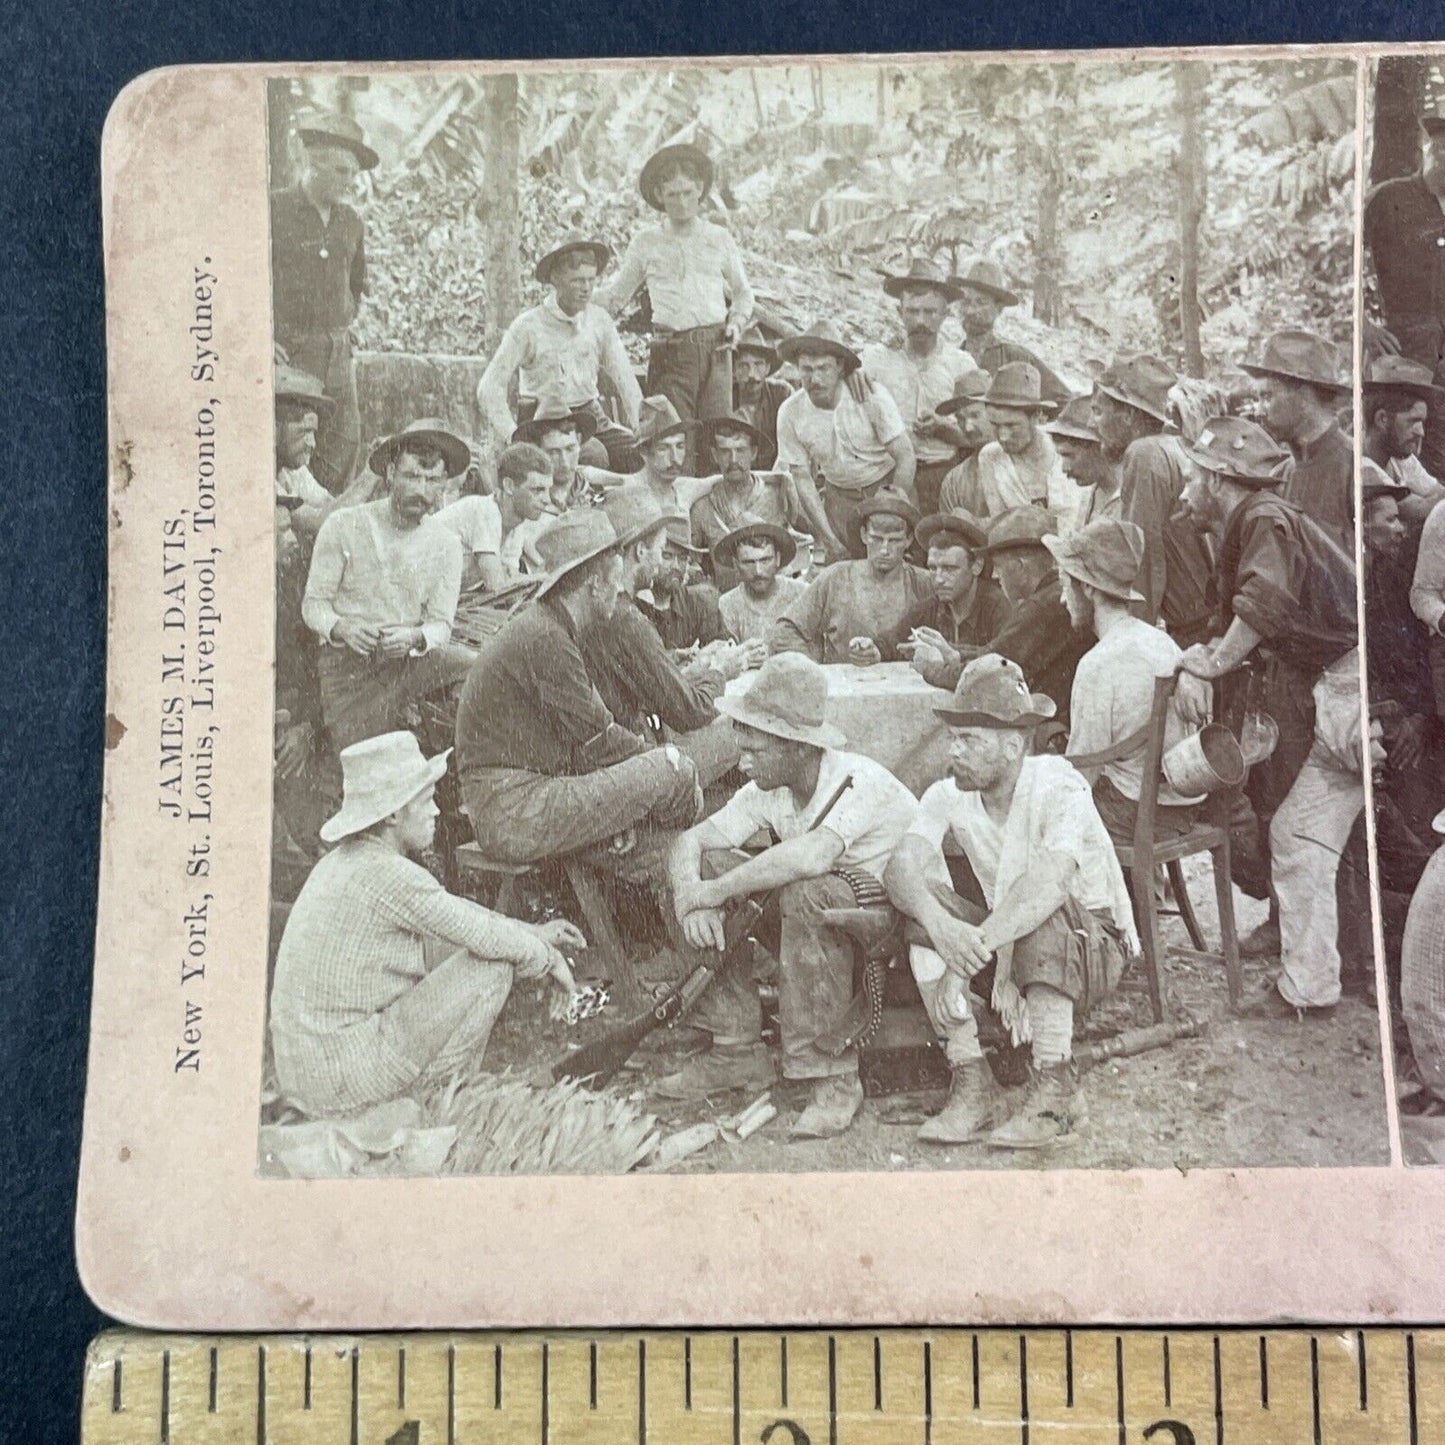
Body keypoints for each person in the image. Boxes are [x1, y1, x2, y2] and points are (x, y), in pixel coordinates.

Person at [884, 654, 1135, 1148]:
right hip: (1005, 945)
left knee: (1037, 911)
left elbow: (1048, 883)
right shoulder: (947, 793)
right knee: (918, 913)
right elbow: (900, 868)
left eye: (969, 740)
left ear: (1012, 745)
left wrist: (967, 955)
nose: (953, 752)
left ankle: (1056, 1087)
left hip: (1092, 945)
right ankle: (974, 1081)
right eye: (953, 738)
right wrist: (941, 927)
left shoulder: (1058, 783)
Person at [664, 654, 919, 1138]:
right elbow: (689, 840)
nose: (742, 762)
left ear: (797, 746)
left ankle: (833, 1079)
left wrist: (713, 892)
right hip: (823, 925)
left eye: (754, 750)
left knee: (806, 891)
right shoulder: (770, 786)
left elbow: (811, 858)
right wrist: (688, 896)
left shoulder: (856, 779)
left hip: (894, 933)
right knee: (709, 865)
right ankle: (736, 1048)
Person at [268, 731, 584, 1118]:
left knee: (472, 948)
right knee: (492, 965)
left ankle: (432, 1092)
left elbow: (457, 922)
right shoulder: (389, 874)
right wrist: (549, 960)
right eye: (427, 801)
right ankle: (447, 1096)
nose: (437, 811)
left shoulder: (343, 862)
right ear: (393, 815)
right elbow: (479, 935)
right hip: (344, 1078)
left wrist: (532, 932)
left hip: (310, 1074)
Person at [1175, 416, 1361, 1013]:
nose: (1185, 493)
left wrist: (1212, 664)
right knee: (1302, 827)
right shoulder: (1254, 520)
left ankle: (1314, 988)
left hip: (1353, 680)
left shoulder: (1262, 518)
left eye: (1193, 479)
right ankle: (1321, 967)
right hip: (1337, 675)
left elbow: (1265, 603)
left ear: (1220, 480)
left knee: (1300, 833)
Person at [453, 507, 702, 867]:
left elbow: (590, 736)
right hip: (516, 811)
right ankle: (675, 866)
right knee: (672, 767)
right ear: (595, 583)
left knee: (664, 767)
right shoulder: (545, 638)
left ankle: (657, 850)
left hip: (517, 802)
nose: (619, 590)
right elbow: (599, 739)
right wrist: (669, 765)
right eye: (615, 580)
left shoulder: (551, 627)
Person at [302, 421, 474, 753]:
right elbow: (314, 605)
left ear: (443, 487)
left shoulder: (446, 544)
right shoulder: (345, 525)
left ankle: (460, 760)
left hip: (409, 660)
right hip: (349, 666)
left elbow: (441, 625)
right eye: (412, 477)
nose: (421, 491)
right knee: (364, 765)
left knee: (480, 671)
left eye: (433, 481)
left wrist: (414, 637)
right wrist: (342, 628)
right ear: (391, 474)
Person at [1049, 518, 1203, 842]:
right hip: (1184, 805)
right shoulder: (1161, 641)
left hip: (1133, 812)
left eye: (1066, 585)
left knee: (1036, 813)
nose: (1063, 600)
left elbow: (1083, 773)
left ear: (1088, 587)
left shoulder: (1097, 663)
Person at [580, 491, 746, 789]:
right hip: (633, 762)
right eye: (661, 550)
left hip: (616, 750)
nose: (659, 562)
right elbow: (691, 712)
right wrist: (720, 670)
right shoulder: (628, 619)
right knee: (748, 726)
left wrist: (673, 662)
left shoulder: (601, 607)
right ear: (641, 551)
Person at [602, 143, 754, 442]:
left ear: (699, 189)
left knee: (717, 441)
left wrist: (736, 323)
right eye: (672, 194)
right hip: (671, 351)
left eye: (687, 192)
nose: (682, 202)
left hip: (717, 349)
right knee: (673, 441)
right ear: (659, 195)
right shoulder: (646, 242)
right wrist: (570, 303)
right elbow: (615, 297)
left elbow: (743, 293)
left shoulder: (718, 238)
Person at [270, 112, 376, 492]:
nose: (349, 181)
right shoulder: (275, 210)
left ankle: (325, 532)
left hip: (337, 354)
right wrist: (263, 338)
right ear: (314, 163)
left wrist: (342, 329)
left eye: (353, 174)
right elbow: (244, 282)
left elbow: (356, 283)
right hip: (292, 353)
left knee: (344, 441)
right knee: (293, 448)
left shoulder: (351, 222)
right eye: (340, 171)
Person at [477, 233, 642, 470]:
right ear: (555, 280)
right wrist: (513, 437)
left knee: (637, 455)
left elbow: (624, 376)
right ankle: (577, 505)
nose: (586, 289)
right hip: (545, 420)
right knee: (593, 456)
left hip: (590, 415)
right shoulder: (528, 326)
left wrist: (640, 423)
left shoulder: (598, 320)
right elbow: (488, 388)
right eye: (576, 281)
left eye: (590, 280)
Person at [1091, 353, 1212, 644]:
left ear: (1129, 415)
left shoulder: (1145, 454)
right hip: (1205, 620)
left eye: (1098, 411)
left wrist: (1131, 639)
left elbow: (1143, 553)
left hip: (1190, 628)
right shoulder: (1176, 447)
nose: (1091, 423)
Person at [774, 319, 915, 556]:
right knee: (844, 566)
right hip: (839, 498)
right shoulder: (790, 412)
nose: (815, 379)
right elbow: (802, 479)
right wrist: (828, 537)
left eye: (823, 369)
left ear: (840, 366)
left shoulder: (871, 396)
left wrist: (891, 507)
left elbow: (905, 455)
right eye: (806, 369)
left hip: (886, 485)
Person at [860, 258, 978, 514]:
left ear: (945, 315)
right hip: (887, 475)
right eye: (912, 311)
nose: (921, 321)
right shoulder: (876, 361)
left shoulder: (961, 365)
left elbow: (978, 435)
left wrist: (943, 428)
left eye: (930, 312)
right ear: (899, 312)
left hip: (944, 475)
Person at [769, 491, 931, 666]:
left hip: (905, 686)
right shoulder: (836, 577)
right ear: (863, 535)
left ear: (908, 540)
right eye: (876, 539)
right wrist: (816, 667)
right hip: (844, 687)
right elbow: (785, 631)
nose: (884, 550)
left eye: (894, 540)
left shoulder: (924, 583)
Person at [974, 508, 1091, 727]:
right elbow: (998, 651)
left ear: (1020, 567)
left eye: (998, 567)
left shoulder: (1040, 606)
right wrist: (952, 653)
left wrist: (931, 667)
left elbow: (990, 667)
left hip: (1052, 729)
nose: (993, 576)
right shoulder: (1052, 594)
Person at [1242, 329, 1354, 547]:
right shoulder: (1278, 477)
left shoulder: (1356, 470)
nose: (1258, 411)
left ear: (1304, 398)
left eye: (1267, 397)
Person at [955, 363, 1079, 531]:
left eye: (1012, 425)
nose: (1003, 436)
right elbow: (999, 523)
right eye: (995, 425)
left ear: (1036, 416)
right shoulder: (990, 456)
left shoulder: (1066, 452)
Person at [688, 415, 801, 586]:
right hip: (727, 603)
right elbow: (691, 561)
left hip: (776, 599)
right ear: (714, 455)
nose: (733, 460)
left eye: (740, 450)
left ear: (753, 452)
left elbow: (809, 535)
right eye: (725, 451)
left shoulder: (778, 495)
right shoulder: (703, 508)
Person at [899, 513, 1010, 690]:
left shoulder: (998, 607)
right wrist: (873, 649)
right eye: (933, 568)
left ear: (977, 566)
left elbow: (1004, 666)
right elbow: (893, 639)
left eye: (950, 569)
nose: (939, 579)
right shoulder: (931, 606)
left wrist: (950, 653)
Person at [432, 441, 554, 592]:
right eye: (537, 490)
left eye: (548, 490)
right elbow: (496, 586)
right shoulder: (486, 511)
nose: (547, 500)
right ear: (509, 486)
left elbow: (510, 579)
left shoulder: (516, 524)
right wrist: (546, 578)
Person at [274, 364, 376, 540]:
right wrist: (373, 472)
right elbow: (321, 522)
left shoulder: (291, 471)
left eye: (313, 433)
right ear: (274, 428)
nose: (312, 444)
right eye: (304, 432)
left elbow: (328, 504)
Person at [949, 258, 1070, 404]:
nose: (970, 310)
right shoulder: (951, 359)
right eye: (966, 302)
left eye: (981, 302)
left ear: (998, 309)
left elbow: (1064, 399)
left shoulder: (1016, 357)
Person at [1363, 354, 1445, 533]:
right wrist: (1426, 502)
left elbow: (1437, 492)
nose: (1421, 432)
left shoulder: (1399, 455)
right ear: (1382, 419)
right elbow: (1417, 510)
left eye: (1422, 423)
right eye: (1412, 421)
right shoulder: (1362, 466)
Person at [513, 402, 631, 516]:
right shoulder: (531, 496)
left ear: (579, 442)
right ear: (538, 451)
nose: (564, 461)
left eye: (570, 449)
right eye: (553, 452)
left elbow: (625, 481)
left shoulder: (582, 481)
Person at [715, 522, 809, 644]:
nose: (758, 571)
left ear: (778, 559)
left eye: (765, 560)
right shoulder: (728, 604)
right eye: (748, 563)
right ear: (735, 564)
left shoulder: (801, 594)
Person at [1045, 395, 1118, 527]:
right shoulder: (1089, 496)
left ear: (1099, 447)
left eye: (1069, 455)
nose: (1064, 468)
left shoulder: (1131, 496)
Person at [936, 369, 997, 516]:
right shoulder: (954, 481)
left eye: (975, 415)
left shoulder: (1024, 463)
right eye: (960, 419)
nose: (968, 427)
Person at [730, 325, 793, 468]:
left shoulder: (782, 394)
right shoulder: (725, 399)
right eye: (743, 366)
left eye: (758, 364)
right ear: (733, 370)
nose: (752, 374)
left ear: (768, 368)